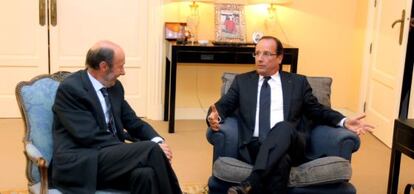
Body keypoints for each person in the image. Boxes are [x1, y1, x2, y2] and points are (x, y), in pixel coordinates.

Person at [207, 36, 374, 194]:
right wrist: (213, 117)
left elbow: (317, 109)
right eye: (257, 53)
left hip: (291, 143)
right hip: (254, 145)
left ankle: (251, 182)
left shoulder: (298, 82)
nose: (259, 58)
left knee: (283, 127)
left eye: (266, 53)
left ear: (279, 58)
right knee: (281, 161)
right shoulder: (242, 82)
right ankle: (252, 184)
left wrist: (344, 121)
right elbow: (222, 106)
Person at [51, 40, 182, 194]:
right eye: (120, 66)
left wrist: (158, 140)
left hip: (110, 158)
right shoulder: (71, 89)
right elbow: (89, 136)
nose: (123, 72)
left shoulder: (115, 87)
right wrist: (135, 150)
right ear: (103, 66)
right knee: (150, 150)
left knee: (146, 174)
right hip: (82, 160)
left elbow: (133, 122)